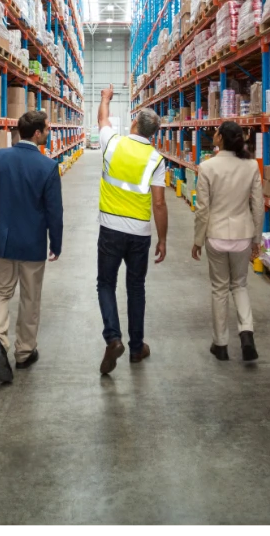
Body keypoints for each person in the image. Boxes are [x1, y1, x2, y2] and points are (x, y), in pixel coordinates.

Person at [0, 110, 63, 384]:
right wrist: (56, 243)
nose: (48, 132)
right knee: (30, 297)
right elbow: (54, 212)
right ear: (36, 133)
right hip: (32, 244)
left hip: (1, 242)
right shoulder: (47, 166)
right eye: (46, 129)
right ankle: (24, 353)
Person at [95, 84, 167, 375]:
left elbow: (103, 120)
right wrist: (163, 239)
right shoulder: (156, 159)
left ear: (134, 124)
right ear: (153, 134)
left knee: (105, 284)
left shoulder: (112, 142)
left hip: (110, 228)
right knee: (136, 288)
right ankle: (136, 348)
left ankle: (113, 338)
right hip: (140, 233)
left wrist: (105, 99)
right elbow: (159, 204)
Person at [191, 121, 263, 361]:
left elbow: (203, 209)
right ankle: (246, 334)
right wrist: (257, 238)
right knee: (240, 285)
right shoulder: (251, 165)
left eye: (216, 133)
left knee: (220, 289)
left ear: (220, 138)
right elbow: (258, 205)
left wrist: (198, 240)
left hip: (217, 235)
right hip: (242, 235)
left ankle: (220, 344)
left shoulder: (207, 167)